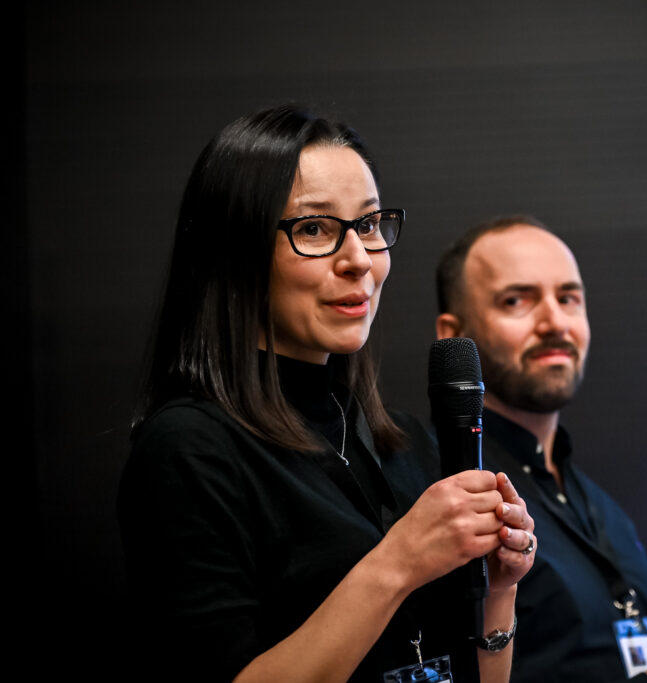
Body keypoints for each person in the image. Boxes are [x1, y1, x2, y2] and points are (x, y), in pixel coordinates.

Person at [118, 105, 535, 683]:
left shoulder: (405, 444)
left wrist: (498, 590)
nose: (359, 260)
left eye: (369, 224)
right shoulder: (189, 450)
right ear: (235, 251)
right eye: (314, 228)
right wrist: (398, 563)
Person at [435, 216, 647, 683]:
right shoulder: (449, 496)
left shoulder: (601, 506)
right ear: (454, 334)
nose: (555, 322)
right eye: (517, 301)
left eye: (568, 298)